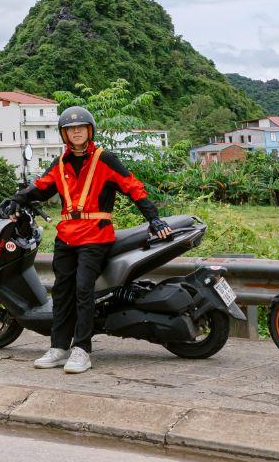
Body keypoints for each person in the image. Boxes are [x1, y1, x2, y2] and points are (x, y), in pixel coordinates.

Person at [18, 106, 170, 373]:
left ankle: (82, 349)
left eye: (81, 127)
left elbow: (133, 187)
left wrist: (154, 219)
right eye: (70, 129)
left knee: (83, 289)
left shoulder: (105, 159)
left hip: (96, 235)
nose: (76, 132)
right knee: (61, 292)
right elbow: (41, 188)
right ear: (64, 134)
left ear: (90, 131)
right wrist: (16, 199)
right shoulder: (60, 163)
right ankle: (59, 347)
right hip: (66, 236)